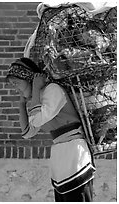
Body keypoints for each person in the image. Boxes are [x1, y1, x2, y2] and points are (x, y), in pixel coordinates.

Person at [6, 57, 96, 202]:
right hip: (60, 157)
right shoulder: (38, 100)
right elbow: (28, 133)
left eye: (16, 83)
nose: (15, 89)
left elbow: (37, 120)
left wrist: (35, 88)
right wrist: (21, 104)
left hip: (75, 154)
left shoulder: (52, 90)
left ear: (29, 77)